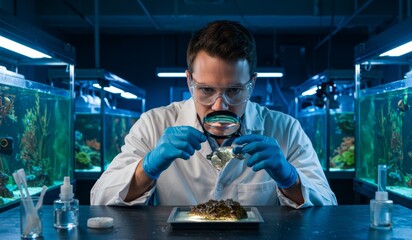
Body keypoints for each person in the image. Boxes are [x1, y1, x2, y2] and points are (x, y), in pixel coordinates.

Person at [90, 20, 337, 208]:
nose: (220, 106)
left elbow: (328, 203)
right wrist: (148, 167)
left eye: (234, 90)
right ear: (189, 82)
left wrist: (289, 177)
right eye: (206, 89)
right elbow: (99, 197)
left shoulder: (286, 129)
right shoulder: (154, 123)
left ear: (251, 84)